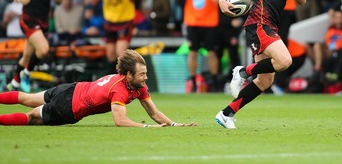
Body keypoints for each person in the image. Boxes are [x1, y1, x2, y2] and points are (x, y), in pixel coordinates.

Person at [215, 0, 307, 128]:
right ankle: (243, 71)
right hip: (258, 23)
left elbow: (301, 0)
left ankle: (226, 114)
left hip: (271, 26)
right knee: (284, 60)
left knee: (265, 81)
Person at [0, 49, 197, 127]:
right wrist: (148, 127)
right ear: (129, 75)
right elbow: (120, 121)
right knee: (30, 117)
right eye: (142, 74)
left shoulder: (137, 86)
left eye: (145, 73)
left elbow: (154, 113)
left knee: (27, 98)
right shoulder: (120, 89)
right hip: (69, 106)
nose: (146, 78)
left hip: (71, 89)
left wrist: (173, 124)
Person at [3, 0, 63, 93]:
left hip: (43, 22)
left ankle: (14, 83)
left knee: (27, 55)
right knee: (43, 50)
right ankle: (27, 73)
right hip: (28, 20)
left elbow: (59, 1)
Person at [173, 0, 221, 92]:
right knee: (193, 52)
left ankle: (213, 82)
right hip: (192, 23)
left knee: (212, 52)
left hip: (210, 23)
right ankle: (193, 81)